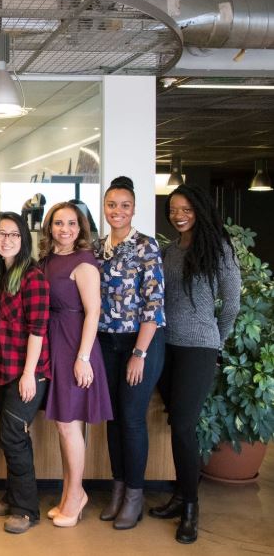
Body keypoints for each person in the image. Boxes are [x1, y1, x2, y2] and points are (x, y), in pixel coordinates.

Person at [151, 183, 240, 544]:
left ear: (200, 209)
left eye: (186, 209)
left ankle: (191, 506)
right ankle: (180, 494)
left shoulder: (218, 248)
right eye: (174, 209)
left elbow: (231, 304)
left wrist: (214, 341)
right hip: (165, 346)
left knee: (185, 424)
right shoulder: (169, 250)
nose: (179, 215)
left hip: (199, 348)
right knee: (177, 422)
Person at [94, 177, 166, 530]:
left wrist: (139, 352)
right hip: (107, 342)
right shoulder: (97, 248)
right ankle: (118, 489)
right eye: (111, 204)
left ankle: (135, 496)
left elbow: (154, 304)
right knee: (113, 418)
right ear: (104, 207)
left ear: (134, 208)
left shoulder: (146, 246)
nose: (117, 211)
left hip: (141, 343)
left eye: (124, 205)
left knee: (132, 418)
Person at [38, 202, 112, 528]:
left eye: (71, 223)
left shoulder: (84, 262)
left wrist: (83, 358)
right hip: (53, 343)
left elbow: (93, 311)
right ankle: (71, 493)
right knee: (62, 425)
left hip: (73, 346)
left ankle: (75, 496)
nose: (64, 229)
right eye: (58, 223)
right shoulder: (47, 260)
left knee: (70, 425)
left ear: (80, 228)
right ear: (49, 227)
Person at [0, 212, 50, 534]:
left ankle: (26, 509)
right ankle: (13, 495)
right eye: (0, 234)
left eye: (13, 234)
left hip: (27, 372)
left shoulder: (32, 277)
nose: (6, 240)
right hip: (0, 368)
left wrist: (28, 373)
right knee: (12, 438)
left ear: (24, 239)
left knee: (12, 436)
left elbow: (38, 329)